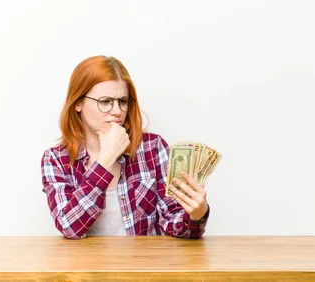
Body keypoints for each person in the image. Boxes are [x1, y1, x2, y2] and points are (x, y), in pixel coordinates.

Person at [40, 55, 210, 239]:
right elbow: (69, 227)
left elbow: (173, 223)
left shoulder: (153, 149)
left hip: (143, 265)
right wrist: (105, 160)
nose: (117, 111)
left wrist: (196, 215)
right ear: (78, 103)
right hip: (87, 267)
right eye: (105, 101)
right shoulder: (56, 160)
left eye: (122, 101)